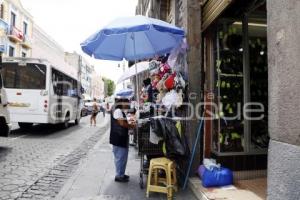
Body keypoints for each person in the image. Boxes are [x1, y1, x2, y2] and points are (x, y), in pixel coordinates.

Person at [110, 97, 136, 182]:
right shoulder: (117, 110)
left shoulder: (119, 111)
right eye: (127, 104)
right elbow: (121, 123)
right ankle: (119, 176)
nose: (128, 106)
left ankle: (121, 173)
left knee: (123, 157)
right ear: (123, 103)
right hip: (118, 137)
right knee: (120, 157)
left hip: (121, 137)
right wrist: (131, 126)